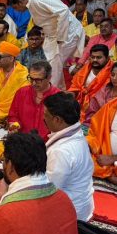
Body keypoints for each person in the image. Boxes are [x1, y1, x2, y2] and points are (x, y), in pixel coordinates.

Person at [0, 60, 60, 160]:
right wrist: (14, 125)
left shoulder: (58, 97)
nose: (33, 83)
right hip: (22, 143)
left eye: (38, 80)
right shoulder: (22, 92)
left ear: (49, 78)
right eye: (31, 79)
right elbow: (13, 115)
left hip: (47, 145)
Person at [44, 93, 95, 221]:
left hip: (70, 214)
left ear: (57, 120)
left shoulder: (61, 151)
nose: (43, 119)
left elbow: (48, 190)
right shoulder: (77, 134)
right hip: (83, 206)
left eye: (46, 115)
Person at [27, 0, 83, 89]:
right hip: (52, 35)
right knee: (47, 59)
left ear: (19, 2)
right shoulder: (32, 3)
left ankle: (51, 90)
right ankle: (58, 89)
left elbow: (63, 11)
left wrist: (60, 36)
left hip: (67, 33)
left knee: (55, 61)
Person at [68, 44, 113, 120]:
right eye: (92, 57)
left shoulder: (112, 72)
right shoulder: (86, 68)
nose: (95, 60)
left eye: (99, 57)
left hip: (99, 109)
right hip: (79, 104)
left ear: (107, 58)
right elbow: (75, 86)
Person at [0, 42, 29, 126]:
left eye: (0, 57)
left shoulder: (22, 74)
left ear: (11, 58)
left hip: (14, 114)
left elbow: (23, 100)